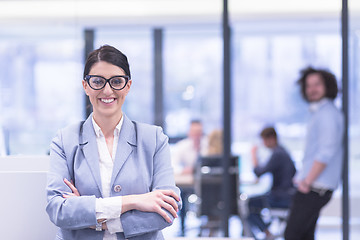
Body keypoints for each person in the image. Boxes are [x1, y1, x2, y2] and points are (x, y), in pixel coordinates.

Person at [46, 45, 181, 240]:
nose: (107, 90)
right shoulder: (65, 140)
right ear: (86, 86)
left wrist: (96, 219)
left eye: (117, 81)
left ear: (128, 85)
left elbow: (168, 208)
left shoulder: (154, 139)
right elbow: (58, 209)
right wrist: (135, 201)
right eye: (98, 81)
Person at [284, 67, 344, 240]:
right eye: (309, 86)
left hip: (314, 187)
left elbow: (326, 151)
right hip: (313, 186)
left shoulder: (327, 114)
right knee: (305, 235)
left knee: (293, 235)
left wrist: (307, 181)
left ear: (328, 86)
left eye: (317, 84)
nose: (312, 89)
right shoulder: (321, 112)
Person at [248, 127, 296, 240]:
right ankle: (267, 231)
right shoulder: (283, 151)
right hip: (288, 195)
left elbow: (259, 172)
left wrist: (253, 156)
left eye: (263, 140)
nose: (263, 144)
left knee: (249, 204)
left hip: (280, 197)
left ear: (271, 139)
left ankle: (267, 233)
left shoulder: (278, 154)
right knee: (255, 202)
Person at [171, 120, 207, 236]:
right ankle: (182, 228)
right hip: (188, 184)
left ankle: (207, 227)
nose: (197, 135)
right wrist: (184, 170)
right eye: (194, 132)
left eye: (199, 132)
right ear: (189, 133)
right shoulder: (182, 146)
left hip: (206, 183)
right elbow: (172, 166)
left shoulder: (208, 145)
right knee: (181, 194)